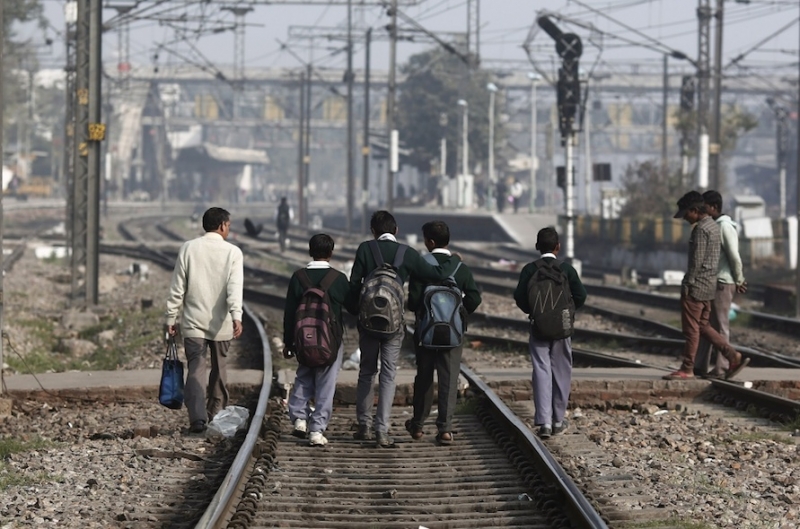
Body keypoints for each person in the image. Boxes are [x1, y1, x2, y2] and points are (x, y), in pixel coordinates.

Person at [346, 210, 462, 448]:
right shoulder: (407, 253)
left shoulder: (365, 249)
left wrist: (355, 311)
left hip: (368, 322)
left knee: (367, 371)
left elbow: (354, 284)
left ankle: (364, 425)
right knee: (388, 374)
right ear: (396, 230)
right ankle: (382, 429)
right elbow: (436, 273)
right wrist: (454, 259)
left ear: (373, 231)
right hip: (393, 323)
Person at [165, 207, 244, 433]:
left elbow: (177, 287)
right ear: (222, 226)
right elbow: (234, 288)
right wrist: (236, 315)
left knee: (196, 368)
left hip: (193, 322)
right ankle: (216, 414)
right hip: (221, 324)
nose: (228, 229)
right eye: (228, 225)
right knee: (220, 367)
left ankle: (197, 419)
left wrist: (171, 317)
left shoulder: (188, 248)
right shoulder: (233, 253)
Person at [405, 221, 482, 445]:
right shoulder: (461, 268)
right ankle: (445, 429)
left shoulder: (422, 266)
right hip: (453, 333)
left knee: (424, 377)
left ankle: (418, 425)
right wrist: (459, 314)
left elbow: (413, 302)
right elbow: (474, 298)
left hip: (425, 332)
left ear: (430, 242)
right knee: (449, 378)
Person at [664, 191, 749, 381]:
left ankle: (687, 368)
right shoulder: (713, 226)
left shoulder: (701, 229)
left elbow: (696, 262)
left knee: (691, 329)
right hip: (710, 285)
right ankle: (731, 355)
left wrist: (687, 284)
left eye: (686, 213)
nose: (685, 218)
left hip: (697, 287)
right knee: (704, 326)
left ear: (695, 210)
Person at [513, 227, 587, 439]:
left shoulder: (529, 270)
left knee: (541, 370)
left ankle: (544, 422)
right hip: (562, 327)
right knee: (562, 371)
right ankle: (558, 420)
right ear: (558, 247)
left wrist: (535, 312)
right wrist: (567, 312)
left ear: (537, 246)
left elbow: (520, 297)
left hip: (538, 327)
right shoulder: (567, 270)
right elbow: (581, 295)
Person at [283, 234, 350, 446]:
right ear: (331, 253)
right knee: (326, 384)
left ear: (310, 252)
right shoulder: (338, 279)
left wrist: (288, 342)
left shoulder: (298, 277)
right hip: (330, 341)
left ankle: (299, 419)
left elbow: (289, 313)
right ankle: (317, 430)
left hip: (303, 339)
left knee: (303, 376)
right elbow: (353, 306)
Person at [694, 190, 748, 379]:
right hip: (713, 282)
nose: (703, 210)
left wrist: (739, 279)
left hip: (723, 282)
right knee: (707, 326)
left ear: (714, 207)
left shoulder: (724, 226)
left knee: (720, 326)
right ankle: (700, 366)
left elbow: (734, 256)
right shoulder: (714, 226)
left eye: (705, 207)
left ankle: (723, 367)